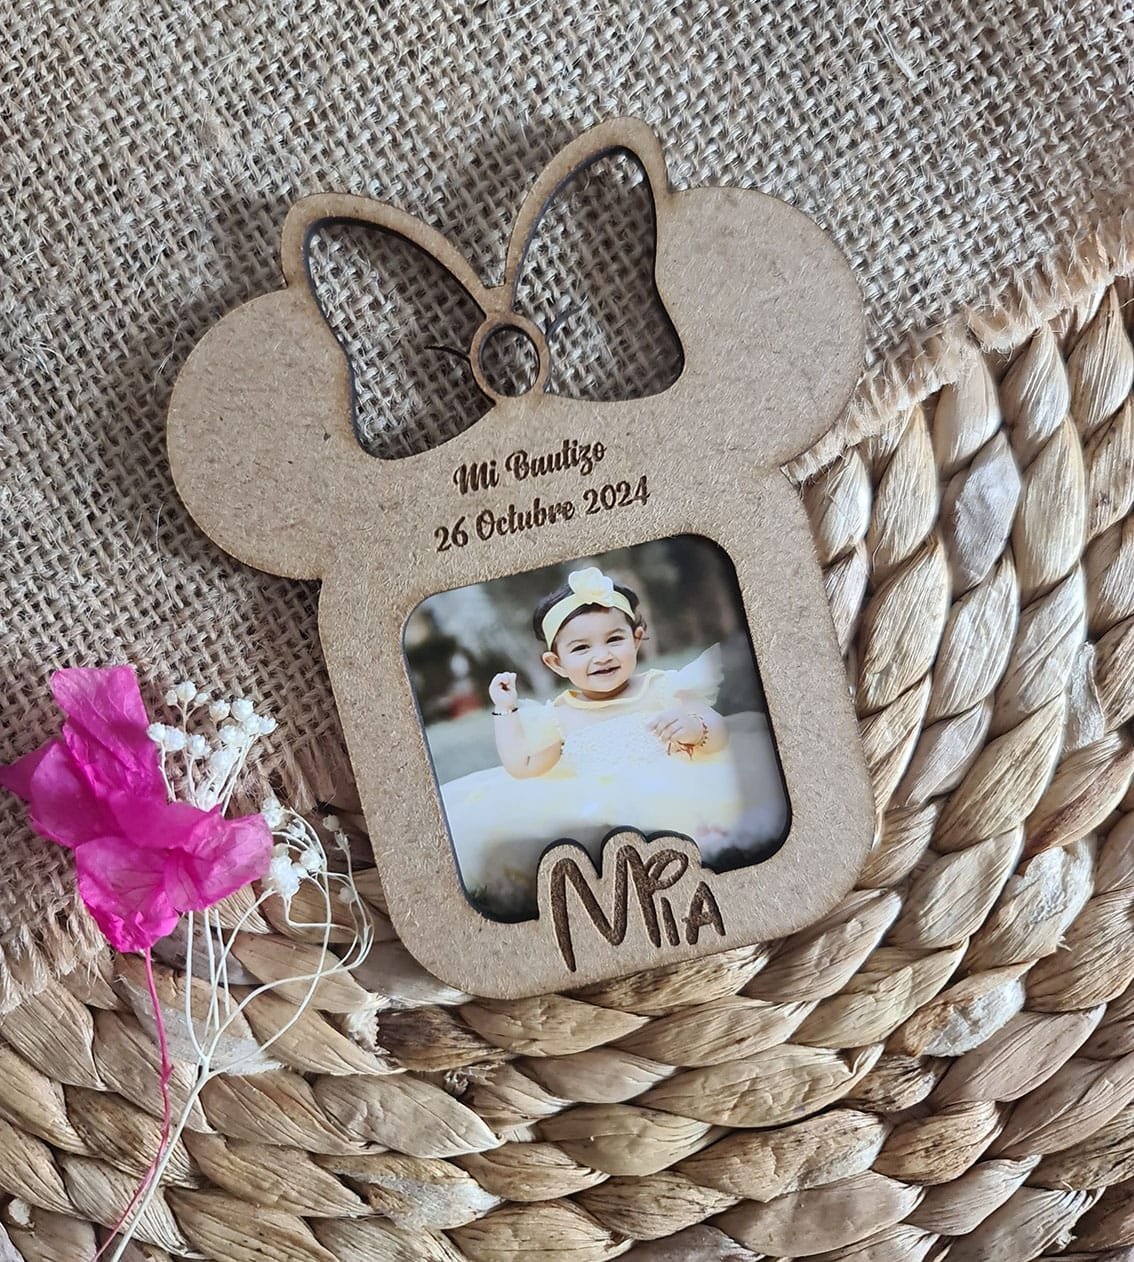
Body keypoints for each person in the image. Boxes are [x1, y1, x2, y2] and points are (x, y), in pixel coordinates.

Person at [439, 566, 788, 917]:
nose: (602, 655)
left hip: (675, 781)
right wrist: (504, 709)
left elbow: (718, 732)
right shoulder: (559, 715)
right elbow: (522, 766)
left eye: (614, 640)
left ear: (636, 638)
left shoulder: (663, 687)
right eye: (581, 648)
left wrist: (695, 727)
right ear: (556, 663)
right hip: (595, 799)